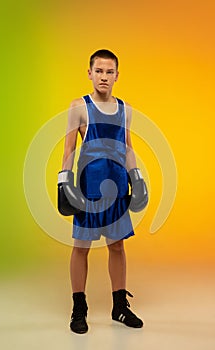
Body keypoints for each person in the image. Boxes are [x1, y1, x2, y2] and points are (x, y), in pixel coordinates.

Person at [57, 49, 148, 334]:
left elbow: (128, 146)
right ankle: (79, 307)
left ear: (117, 75)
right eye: (99, 71)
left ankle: (119, 306)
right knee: (81, 247)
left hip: (118, 184)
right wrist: (64, 181)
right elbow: (69, 148)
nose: (104, 77)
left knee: (117, 246)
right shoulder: (79, 106)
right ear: (89, 73)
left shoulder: (125, 108)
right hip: (88, 187)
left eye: (109, 72)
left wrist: (137, 176)